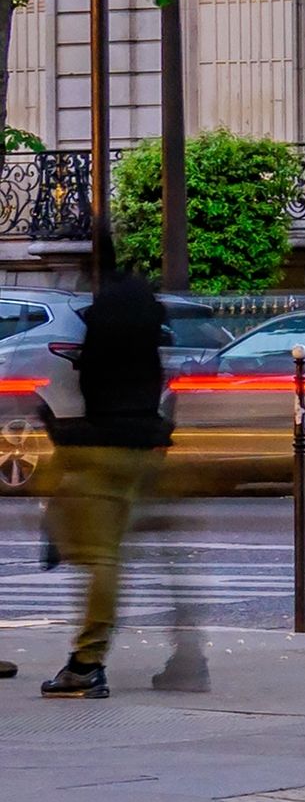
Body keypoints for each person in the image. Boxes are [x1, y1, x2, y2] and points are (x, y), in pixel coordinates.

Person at [42, 251, 168, 694]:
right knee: (109, 550)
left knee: (100, 557)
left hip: (102, 442)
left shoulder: (105, 316)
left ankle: (86, 662)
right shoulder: (144, 315)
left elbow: (86, 380)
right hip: (141, 442)